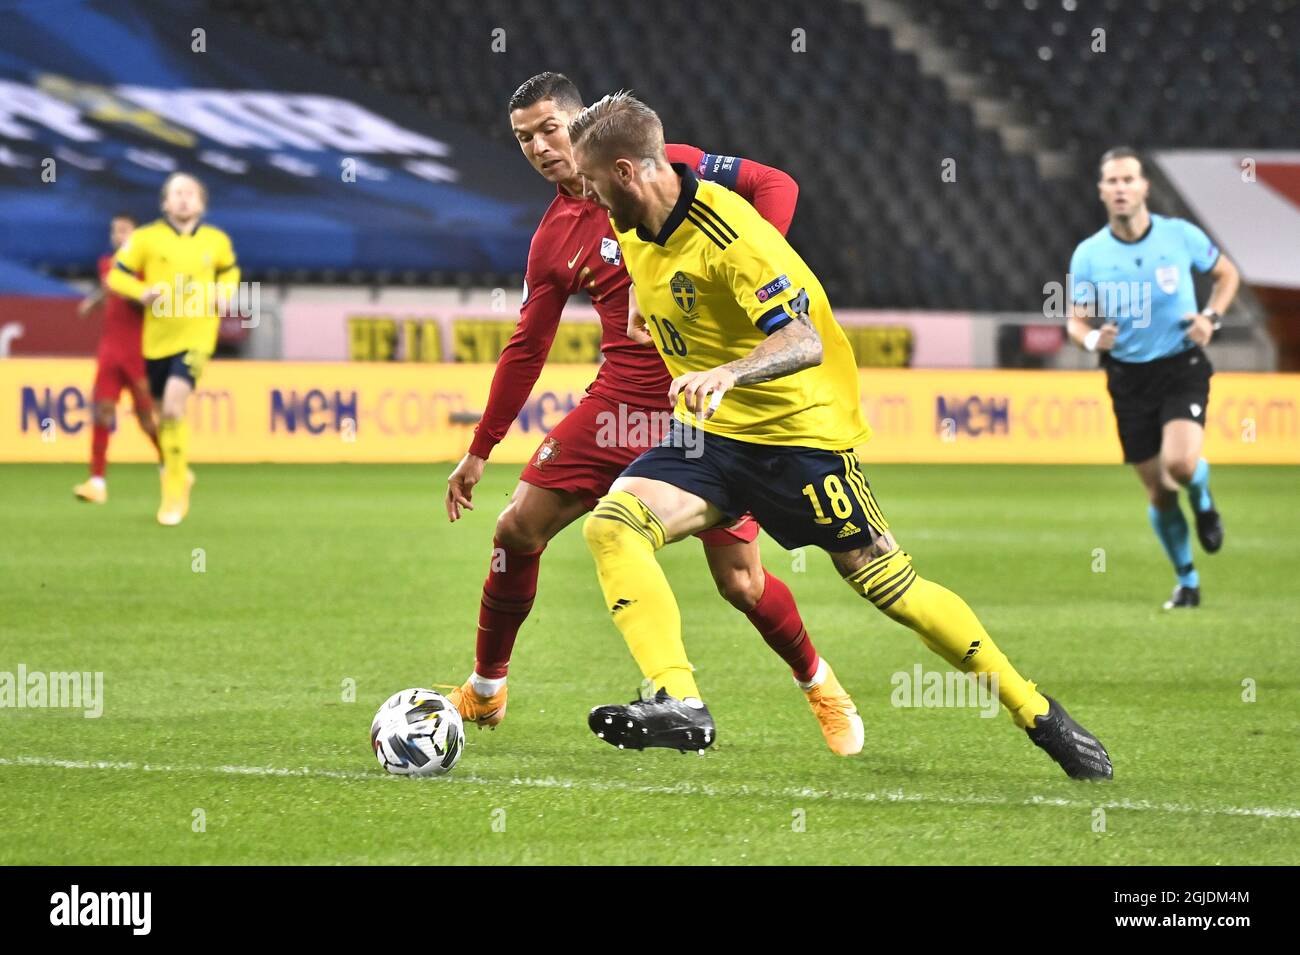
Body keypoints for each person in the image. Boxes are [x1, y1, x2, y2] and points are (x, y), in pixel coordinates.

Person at [570, 91, 1111, 779]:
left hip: (799, 435)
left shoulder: (731, 235)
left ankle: (1035, 711)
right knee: (613, 525)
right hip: (715, 436)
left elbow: (801, 340)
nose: (582, 194)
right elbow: (669, 277)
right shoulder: (634, 217)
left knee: (889, 585)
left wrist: (729, 373)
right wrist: (651, 318)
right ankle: (679, 699)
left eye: (589, 181)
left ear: (625, 170)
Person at [443, 73, 863, 755]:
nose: (541, 148)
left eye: (550, 129)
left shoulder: (669, 167)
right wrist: (480, 449)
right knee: (517, 527)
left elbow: (776, 185)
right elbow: (528, 345)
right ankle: (486, 689)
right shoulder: (554, 236)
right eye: (524, 139)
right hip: (616, 406)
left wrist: (732, 271)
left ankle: (819, 682)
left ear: (584, 125)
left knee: (741, 582)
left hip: (701, 412)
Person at [1066, 147, 1240, 609]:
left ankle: (1203, 500)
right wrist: (1089, 341)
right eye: (1112, 182)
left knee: (1180, 466)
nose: (1121, 188)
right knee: (1159, 491)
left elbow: (1227, 276)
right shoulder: (1089, 255)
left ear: (1144, 186)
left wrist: (1211, 319)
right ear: (1102, 191)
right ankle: (1187, 581)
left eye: (1128, 179)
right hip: (1126, 377)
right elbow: (1075, 321)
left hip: (1180, 365)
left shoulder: (1179, 236)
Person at [107, 172, 239, 526]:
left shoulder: (216, 241)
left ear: (201, 203)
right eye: (177, 194)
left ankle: (172, 496)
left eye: (191, 194)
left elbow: (230, 272)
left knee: (175, 407)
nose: (184, 199)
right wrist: (141, 292)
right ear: (165, 203)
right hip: (157, 341)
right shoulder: (145, 239)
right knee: (162, 415)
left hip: (197, 337)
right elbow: (116, 276)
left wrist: (223, 294)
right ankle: (181, 472)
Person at [72, 212, 162, 503]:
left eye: (124, 231)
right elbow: (108, 287)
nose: (118, 236)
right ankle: (97, 482)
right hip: (110, 350)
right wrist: (93, 303)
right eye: (115, 231)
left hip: (137, 351)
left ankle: (168, 464)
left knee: (147, 419)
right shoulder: (107, 264)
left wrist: (136, 295)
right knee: (101, 412)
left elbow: (147, 304)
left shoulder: (146, 270)